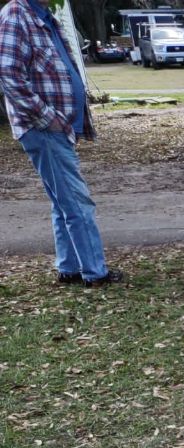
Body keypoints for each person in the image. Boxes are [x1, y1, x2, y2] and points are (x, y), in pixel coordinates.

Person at [0, 0, 123, 287]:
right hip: (43, 128)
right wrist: (46, 117)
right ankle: (95, 273)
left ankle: (69, 268)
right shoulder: (16, 13)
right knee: (78, 202)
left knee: (63, 201)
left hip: (58, 127)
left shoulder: (44, 15)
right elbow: (8, 73)